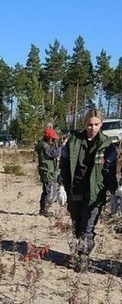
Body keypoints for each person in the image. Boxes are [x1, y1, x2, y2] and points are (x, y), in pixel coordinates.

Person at [59, 109, 119, 272]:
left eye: (96, 124)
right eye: (89, 124)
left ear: (101, 124)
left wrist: (113, 194)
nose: (92, 128)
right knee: (78, 225)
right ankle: (80, 250)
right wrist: (61, 187)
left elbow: (109, 172)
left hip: (95, 194)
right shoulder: (72, 142)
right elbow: (63, 166)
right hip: (75, 190)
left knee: (88, 227)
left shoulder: (108, 146)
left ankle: (83, 258)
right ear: (84, 124)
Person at [36, 127, 62, 217]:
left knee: (47, 191)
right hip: (47, 172)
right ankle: (44, 210)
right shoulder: (44, 146)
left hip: (48, 171)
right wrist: (60, 146)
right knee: (50, 191)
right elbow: (53, 154)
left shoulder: (43, 144)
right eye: (53, 139)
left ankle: (43, 209)